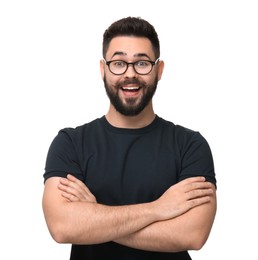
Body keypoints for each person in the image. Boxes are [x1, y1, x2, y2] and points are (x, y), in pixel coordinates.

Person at [42, 16, 217, 260]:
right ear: (103, 69)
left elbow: (192, 235)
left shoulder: (190, 145)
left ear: (159, 69)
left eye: (142, 63)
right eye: (118, 63)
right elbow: (63, 228)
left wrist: (93, 217)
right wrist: (159, 209)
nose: (130, 74)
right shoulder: (70, 143)